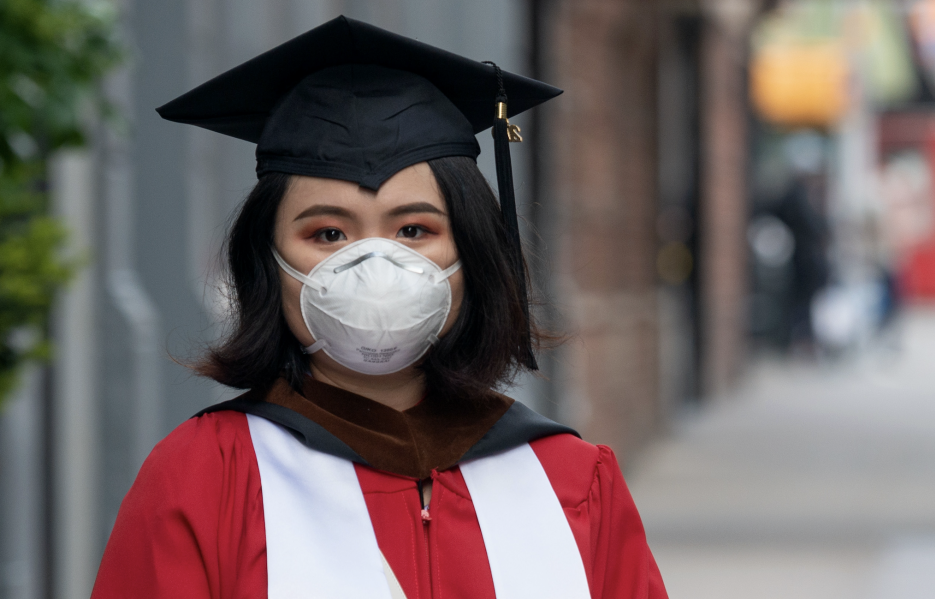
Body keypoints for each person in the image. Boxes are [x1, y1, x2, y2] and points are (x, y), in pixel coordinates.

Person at [91, 16, 668, 599]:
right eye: (328, 235)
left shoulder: (571, 478)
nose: (375, 264)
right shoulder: (207, 478)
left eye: (414, 229)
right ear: (269, 264)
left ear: (473, 252)